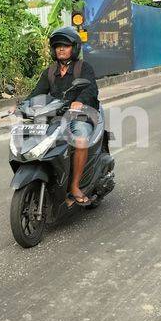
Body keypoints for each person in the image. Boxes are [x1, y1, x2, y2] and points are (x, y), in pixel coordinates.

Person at [21, 26, 99, 208]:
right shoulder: (49, 71)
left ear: (75, 48)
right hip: (55, 116)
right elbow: (36, 93)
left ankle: (74, 186)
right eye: (57, 46)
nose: (61, 49)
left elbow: (91, 89)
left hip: (80, 115)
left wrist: (79, 101)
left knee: (79, 139)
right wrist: (22, 106)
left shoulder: (83, 68)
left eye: (65, 45)